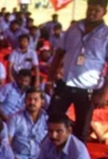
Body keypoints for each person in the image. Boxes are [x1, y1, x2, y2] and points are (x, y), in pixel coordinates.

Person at [46, 0, 108, 143]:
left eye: (96, 10)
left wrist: (104, 93)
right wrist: (50, 79)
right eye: (89, 9)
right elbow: (59, 53)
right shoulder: (74, 28)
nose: (91, 13)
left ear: (104, 12)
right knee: (52, 119)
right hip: (65, 84)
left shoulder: (106, 35)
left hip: (88, 89)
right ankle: (49, 156)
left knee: (82, 129)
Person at [8, 88, 48, 159]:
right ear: (25, 101)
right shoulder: (14, 118)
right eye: (29, 99)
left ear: (42, 102)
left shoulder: (48, 119)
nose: (32, 102)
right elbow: (6, 143)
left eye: (36, 99)